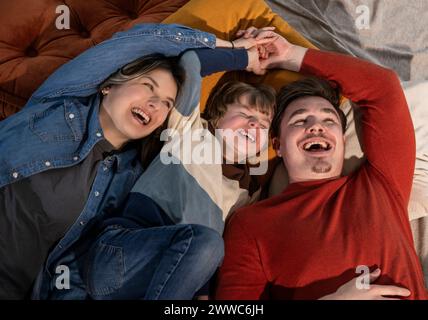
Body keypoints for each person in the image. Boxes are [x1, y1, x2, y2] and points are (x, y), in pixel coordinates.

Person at [0, 23, 265, 300]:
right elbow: (144, 40)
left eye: (166, 102)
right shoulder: (57, 105)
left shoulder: (129, 176)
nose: (154, 103)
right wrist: (240, 51)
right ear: (108, 86)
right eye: (147, 87)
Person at [215, 27, 428, 300]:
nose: (317, 126)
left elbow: (383, 88)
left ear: (341, 137)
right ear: (278, 145)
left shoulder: (381, 183)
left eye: (329, 120)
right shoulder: (251, 224)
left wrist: (290, 55)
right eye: (300, 120)